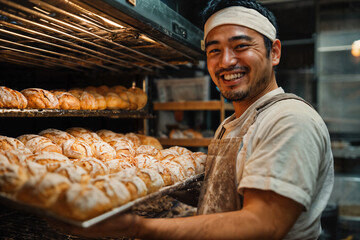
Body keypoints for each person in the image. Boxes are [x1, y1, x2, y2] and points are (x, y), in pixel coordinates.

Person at [50, 0, 334, 239]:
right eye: (214, 50)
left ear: (274, 52)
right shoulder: (232, 124)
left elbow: (263, 223)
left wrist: (137, 226)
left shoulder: (289, 120)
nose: (225, 62)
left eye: (240, 46)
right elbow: (226, 197)